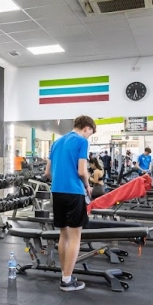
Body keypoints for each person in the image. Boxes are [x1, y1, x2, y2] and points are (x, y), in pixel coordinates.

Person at [44, 115, 96, 292]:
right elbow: (82, 171)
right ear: (86, 128)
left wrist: (61, 179)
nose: (88, 136)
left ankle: (65, 275)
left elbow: (47, 172)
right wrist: (87, 186)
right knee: (75, 236)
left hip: (57, 191)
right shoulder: (82, 141)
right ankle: (66, 280)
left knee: (64, 235)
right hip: (74, 192)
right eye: (90, 133)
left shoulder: (57, 142)